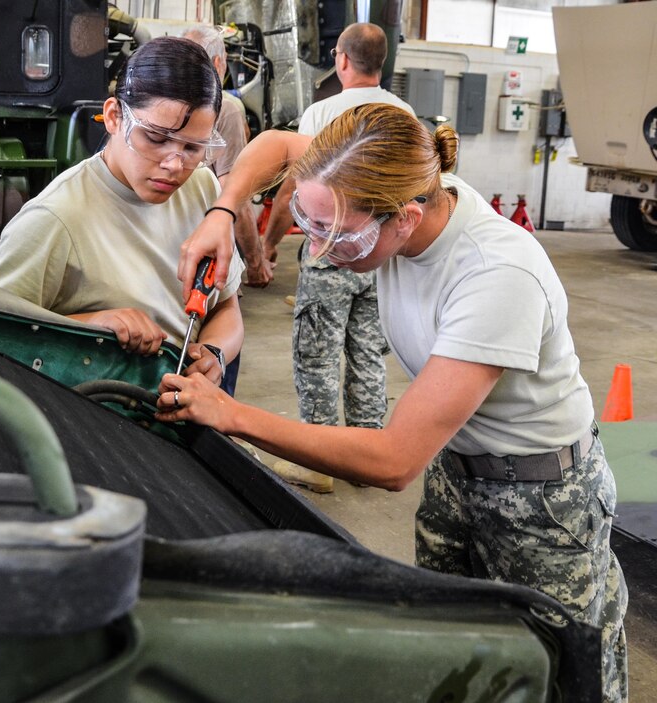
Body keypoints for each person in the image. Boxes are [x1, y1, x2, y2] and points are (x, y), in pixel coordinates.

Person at [162, 103, 628, 702]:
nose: (324, 252)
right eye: (312, 223)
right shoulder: (393, 177)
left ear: (405, 219)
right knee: (454, 659)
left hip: (542, 502)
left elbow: (392, 460)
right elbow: (278, 144)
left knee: (559, 673)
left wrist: (227, 412)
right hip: (457, 471)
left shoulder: (496, 273)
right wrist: (223, 214)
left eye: (341, 233)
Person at [0, 37, 244, 389]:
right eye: (155, 138)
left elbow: (226, 308)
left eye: (193, 147)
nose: (174, 165)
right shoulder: (55, 219)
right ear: (113, 117)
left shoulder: (203, 189)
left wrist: (213, 353)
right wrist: (89, 326)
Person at [262, 22, 415, 492]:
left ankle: (320, 461)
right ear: (382, 62)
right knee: (368, 347)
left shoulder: (322, 113)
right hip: (384, 254)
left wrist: (267, 243)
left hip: (331, 250)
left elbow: (297, 186)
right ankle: (365, 455)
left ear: (341, 59)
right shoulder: (405, 113)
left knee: (318, 352)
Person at [183, 26, 272, 288]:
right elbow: (233, 194)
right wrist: (256, 266)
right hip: (203, 249)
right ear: (218, 63)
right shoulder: (226, 108)